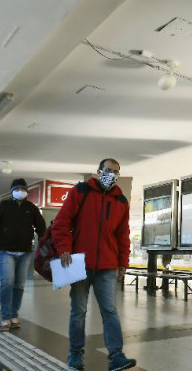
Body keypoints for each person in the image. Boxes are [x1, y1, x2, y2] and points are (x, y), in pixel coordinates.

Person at [52, 158, 136, 371]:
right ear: (99, 171)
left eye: (116, 172)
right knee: (79, 311)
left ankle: (116, 356)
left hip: (107, 265)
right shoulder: (81, 191)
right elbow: (62, 222)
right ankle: (75, 354)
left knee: (110, 310)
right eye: (108, 170)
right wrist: (64, 249)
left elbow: (122, 235)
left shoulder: (121, 201)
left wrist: (122, 263)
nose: (112, 174)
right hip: (79, 262)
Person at [0, 178, 46, 331]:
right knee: (7, 282)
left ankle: (14, 315)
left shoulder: (31, 208)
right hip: (5, 251)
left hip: (25, 253)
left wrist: (44, 245)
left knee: (19, 285)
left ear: (27, 192)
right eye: (17, 189)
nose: (20, 192)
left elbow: (41, 227)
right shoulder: (2, 207)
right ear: (11, 191)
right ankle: (5, 317)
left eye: (23, 189)